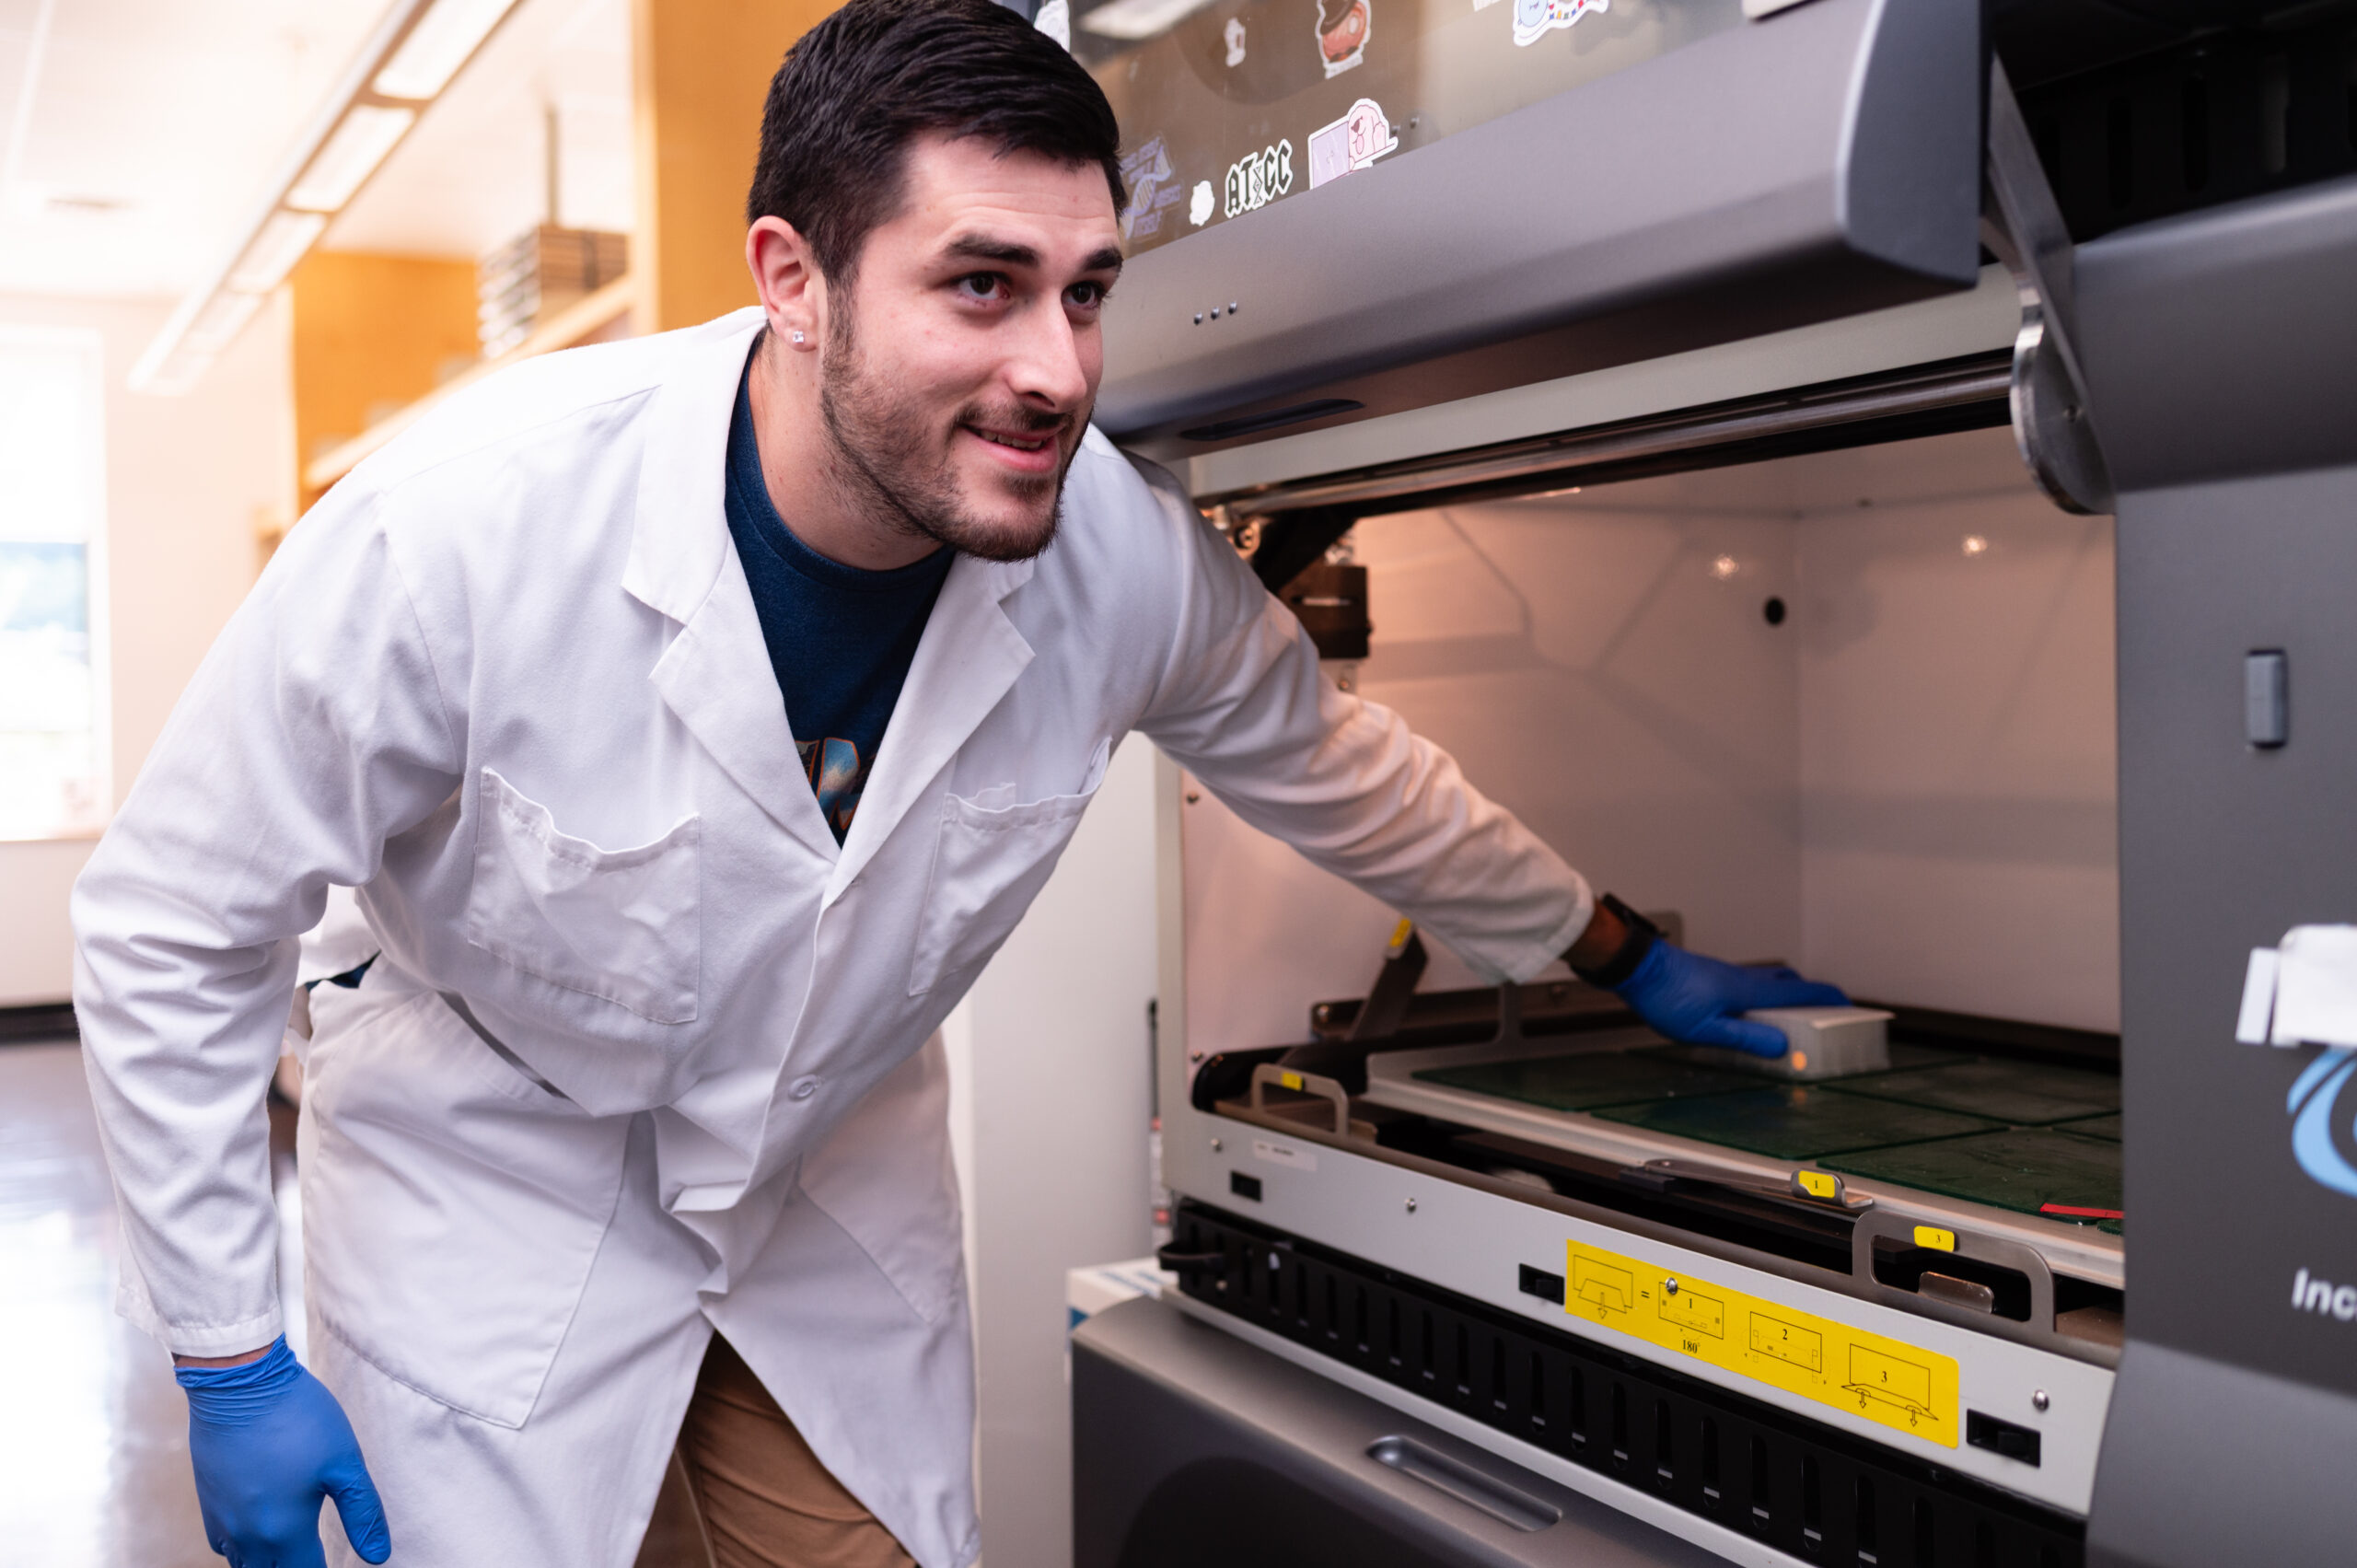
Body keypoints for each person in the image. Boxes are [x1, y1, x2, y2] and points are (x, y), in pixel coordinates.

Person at [71, 1, 1841, 1563]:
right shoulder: (458, 529)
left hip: (815, 1190)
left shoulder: (1114, 567)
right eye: (981, 286)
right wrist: (226, 1357)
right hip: (490, 1178)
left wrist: (1619, 954)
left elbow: (1336, 769)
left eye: (1088, 294)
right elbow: (174, 919)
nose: (1057, 373)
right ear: (793, 277)